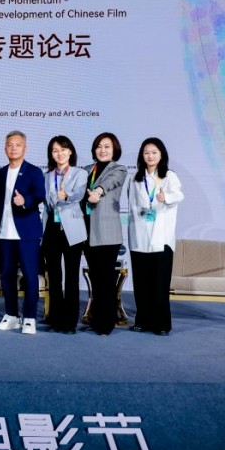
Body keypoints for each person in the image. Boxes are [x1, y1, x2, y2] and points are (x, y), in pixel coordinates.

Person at [0, 130, 46, 335]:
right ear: (5, 148)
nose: (13, 148)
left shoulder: (33, 172)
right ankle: (12, 315)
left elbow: (39, 194)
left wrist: (25, 201)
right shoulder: (0, 174)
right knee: (7, 276)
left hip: (26, 233)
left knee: (30, 276)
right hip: (4, 233)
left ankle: (29, 317)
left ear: (25, 148)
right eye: (10, 145)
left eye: (18, 145)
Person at [128, 137, 184, 335]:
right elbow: (132, 206)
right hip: (139, 237)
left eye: (154, 152)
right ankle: (142, 321)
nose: (150, 156)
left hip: (161, 239)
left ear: (161, 155)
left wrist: (165, 197)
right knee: (141, 283)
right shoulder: (135, 178)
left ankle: (161, 324)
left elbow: (179, 195)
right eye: (146, 153)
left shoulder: (169, 176)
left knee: (160, 283)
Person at [81, 132, 128, 336]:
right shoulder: (86, 170)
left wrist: (98, 191)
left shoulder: (119, 169)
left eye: (107, 146)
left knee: (107, 280)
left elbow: (110, 182)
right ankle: (96, 318)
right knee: (96, 279)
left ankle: (106, 324)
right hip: (88, 233)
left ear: (114, 149)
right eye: (99, 146)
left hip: (108, 234)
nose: (102, 150)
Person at [41, 135, 88, 334]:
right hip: (52, 228)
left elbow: (79, 194)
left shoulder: (80, 173)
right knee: (54, 276)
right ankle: (55, 319)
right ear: (51, 154)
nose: (59, 153)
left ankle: (70, 322)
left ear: (70, 152)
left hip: (72, 228)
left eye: (63, 149)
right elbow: (47, 203)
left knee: (71, 276)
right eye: (55, 150)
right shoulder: (47, 176)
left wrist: (66, 195)